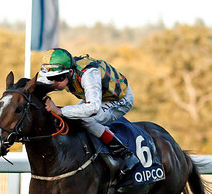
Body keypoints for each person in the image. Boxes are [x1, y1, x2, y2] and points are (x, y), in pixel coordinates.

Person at [38, 48, 140, 176]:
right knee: (72, 117)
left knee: (85, 119)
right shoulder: (59, 72)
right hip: (98, 96)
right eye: (50, 78)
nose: (53, 83)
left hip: (120, 98)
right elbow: (36, 86)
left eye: (58, 78)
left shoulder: (89, 74)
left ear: (70, 73)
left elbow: (93, 108)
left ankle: (125, 154)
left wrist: (59, 110)